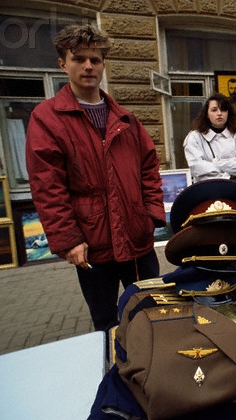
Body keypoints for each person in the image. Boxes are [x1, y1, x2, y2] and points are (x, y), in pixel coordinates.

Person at [25, 24, 166, 335]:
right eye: (79, 59)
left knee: (153, 313)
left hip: (136, 238)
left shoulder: (126, 119)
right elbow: (47, 186)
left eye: (95, 59)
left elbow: (149, 169)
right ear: (63, 64)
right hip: (91, 244)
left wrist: (152, 214)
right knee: (106, 323)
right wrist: (68, 240)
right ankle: (113, 376)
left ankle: (154, 375)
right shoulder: (48, 119)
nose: (88, 66)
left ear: (103, 64)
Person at [183, 93, 236, 184]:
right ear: (207, 113)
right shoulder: (195, 138)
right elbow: (197, 168)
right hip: (205, 191)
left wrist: (214, 163)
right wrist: (229, 175)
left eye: (223, 109)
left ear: (228, 113)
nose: (219, 113)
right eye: (214, 110)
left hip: (234, 191)